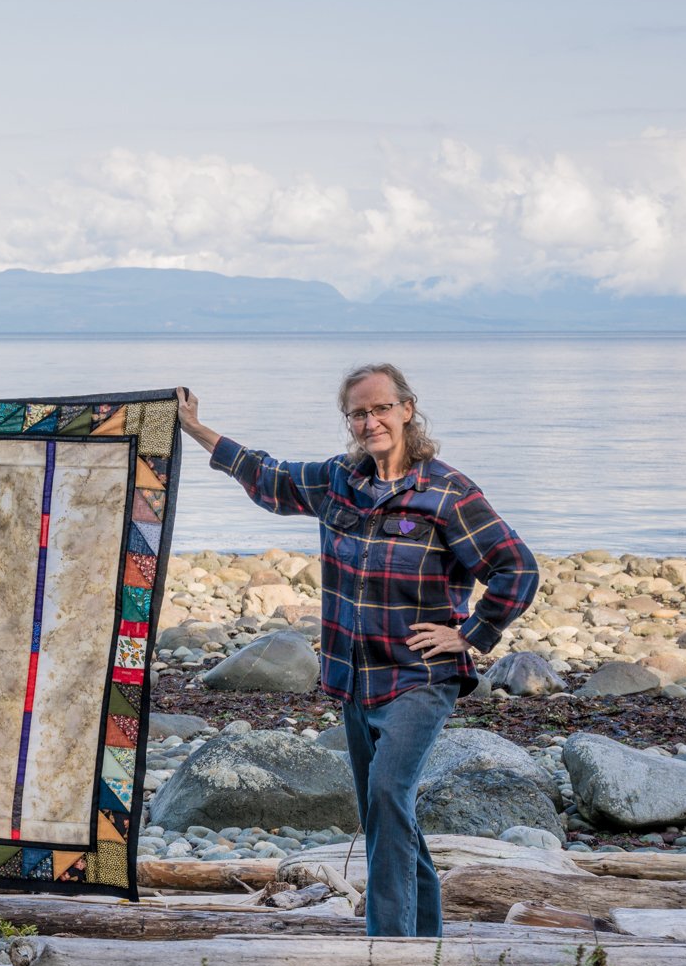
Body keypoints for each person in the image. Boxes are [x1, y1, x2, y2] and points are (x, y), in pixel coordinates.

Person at [175, 365, 537, 936]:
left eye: (381, 409)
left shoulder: (447, 493)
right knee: (384, 813)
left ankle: (387, 947)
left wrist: (470, 635)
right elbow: (268, 476)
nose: (371, 422)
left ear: (406, 410)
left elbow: (516, 568)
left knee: (389, 795)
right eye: (359, 414)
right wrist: (195, 428)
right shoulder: (338, 480)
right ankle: (427, 945)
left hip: (419, 677)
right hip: (355, 679)